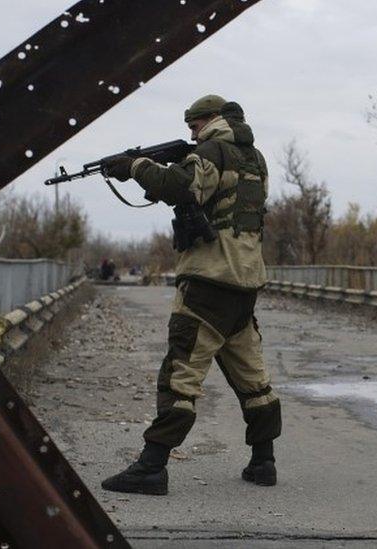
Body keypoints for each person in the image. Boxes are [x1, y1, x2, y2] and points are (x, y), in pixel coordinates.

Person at [98, 95, 280, 495]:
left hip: (207, 285)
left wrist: (135, 166)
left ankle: (151, 467)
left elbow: (178, 186)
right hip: (245, 284)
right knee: (253, 379)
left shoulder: (212, 151)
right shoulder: (256, 159)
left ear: (211, 121)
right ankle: (263, 462)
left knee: (180, 378)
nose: (191, 134)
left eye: (194, 125)